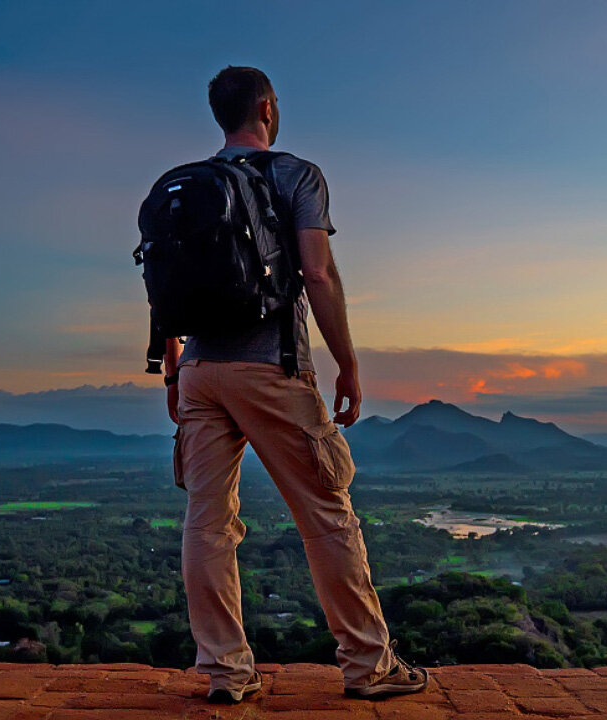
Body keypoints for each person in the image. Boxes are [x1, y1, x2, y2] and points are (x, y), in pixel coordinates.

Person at [161, 66, 427, 705]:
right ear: (266, 107)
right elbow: (318, 272)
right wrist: (348, 362)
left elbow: (162, 285)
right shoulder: (296, 174)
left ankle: (224, 673)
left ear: (220, 115)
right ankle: (369, 665)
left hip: (199, 371)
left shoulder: (183, 186)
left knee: (207, 524)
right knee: (327, 515)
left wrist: (173, 366)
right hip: (271, 367)